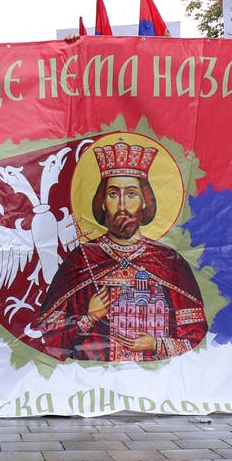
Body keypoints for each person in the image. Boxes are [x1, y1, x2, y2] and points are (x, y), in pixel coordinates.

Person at [37, 140, 208, 361]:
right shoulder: (82, 260)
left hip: (157, 382)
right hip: (92, 382)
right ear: (101, 202)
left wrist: (156, 344)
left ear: (145, 201)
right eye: (113, 194)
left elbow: (195, 337)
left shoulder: (169, 261)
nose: (122, 206)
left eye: (131, 194)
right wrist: (89, 318)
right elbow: (50, 339)